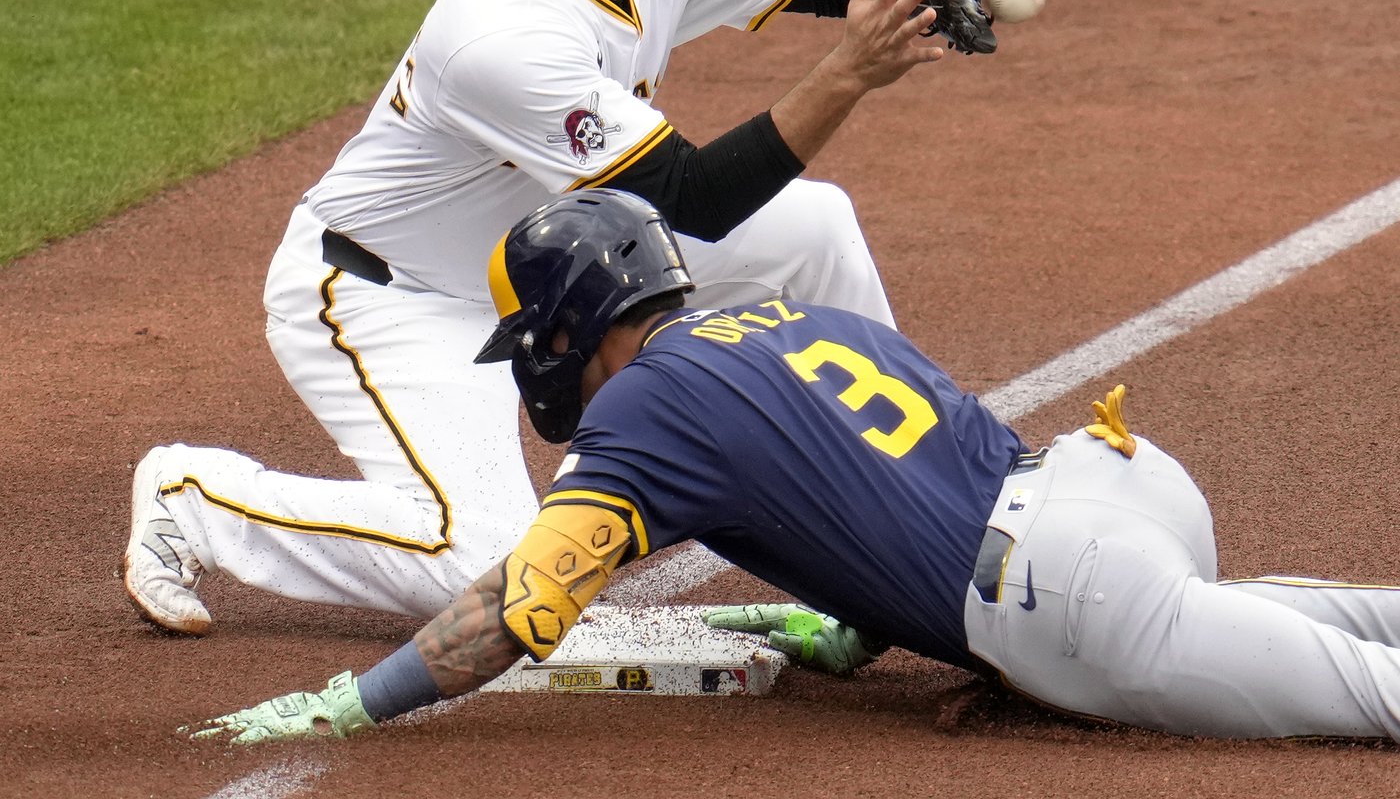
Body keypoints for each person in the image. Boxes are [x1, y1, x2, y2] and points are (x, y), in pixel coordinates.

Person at [121, 0, 1038, 635]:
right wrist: (849, 72)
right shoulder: (500, 31)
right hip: (394, 294)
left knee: (815, 229)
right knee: (487, 569)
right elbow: (691, 201)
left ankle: (916, 496)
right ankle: (197, 499)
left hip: (566, 270)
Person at [190, 189, 1400, 745]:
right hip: (1119, 488)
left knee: (1365, 703)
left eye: (538, 342)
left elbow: (508, 611)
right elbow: (896, 487)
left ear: (569, 324)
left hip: (1073, 598)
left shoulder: (643, 418)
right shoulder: (787, 320)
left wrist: (353, 700)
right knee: (1351, 626)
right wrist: (852, 629)